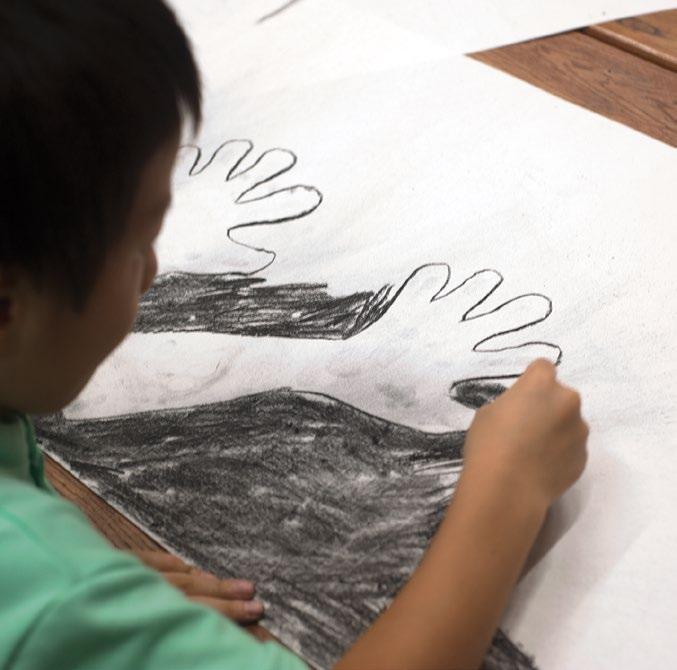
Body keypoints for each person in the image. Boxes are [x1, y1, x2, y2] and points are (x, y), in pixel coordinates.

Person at [0, 1, 589, 669]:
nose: (157, 271)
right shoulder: (52, 596)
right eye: (141, 239)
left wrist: (83, 595)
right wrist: (507, 488)